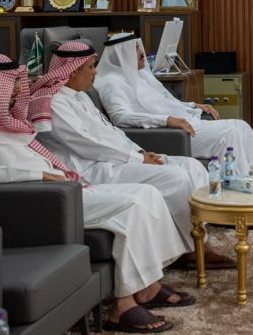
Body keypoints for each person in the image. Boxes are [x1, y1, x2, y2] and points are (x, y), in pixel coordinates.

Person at [0, 53, 193, 333]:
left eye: (16, 82)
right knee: (134, 204)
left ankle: (149, 286)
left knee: (147, 193)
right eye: (8, 84)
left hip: (60, 189)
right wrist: (39, 175)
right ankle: (123, 307)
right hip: (42, 202)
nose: (16, 90)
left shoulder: (7, 124)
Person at [29, 41, 231, 268]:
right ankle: (189, 251)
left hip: (116, 159)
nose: (95, 73)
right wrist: (138, 159)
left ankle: (199, 241)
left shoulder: (80, 96)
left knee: (192, 166)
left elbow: (111, 132)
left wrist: (139, 151)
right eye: (91, 67)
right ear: (72, 71)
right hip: (91, 169)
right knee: (175, 177)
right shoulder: (54, 103)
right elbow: (89, 145)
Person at [94, 33, 253, 169]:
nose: (142, 52)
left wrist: (193, 105)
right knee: (229, 134)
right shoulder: (111, 82)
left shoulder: (139, 75)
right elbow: (120, 117)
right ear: (122, 54)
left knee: (242, 126)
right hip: (168, 132)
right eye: (136, 48)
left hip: (183, 122)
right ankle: (239, 185)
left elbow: (164, 101)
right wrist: (167, 120)